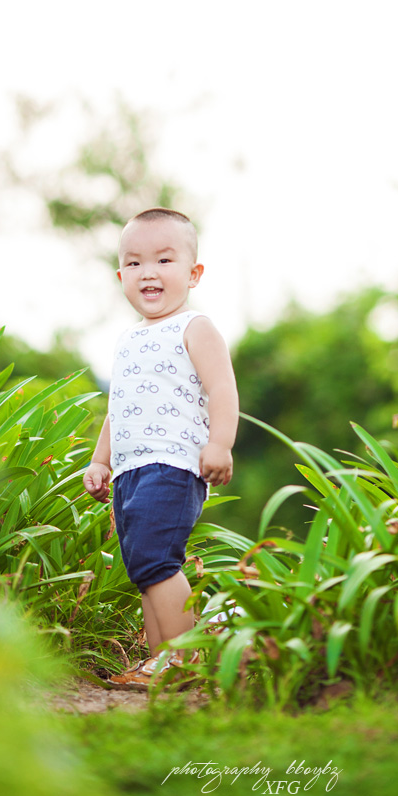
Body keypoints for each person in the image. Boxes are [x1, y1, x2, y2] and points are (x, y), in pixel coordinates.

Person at [82, 207, 238, 690]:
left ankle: (184, 658)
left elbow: (222, 390)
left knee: (157, 559)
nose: (148, 271)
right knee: (144, 567)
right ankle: (159, 663)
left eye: (164, 260)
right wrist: (100, 459)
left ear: (193, 274)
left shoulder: (195, 327)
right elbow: (119, 407)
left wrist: (220, 443)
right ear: (121, 275)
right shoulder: (129, 340)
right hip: (131, 472)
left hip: (173, 464)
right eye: (135, 263)